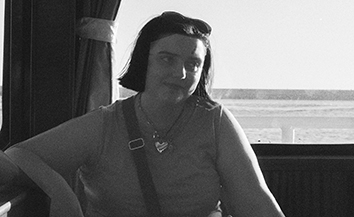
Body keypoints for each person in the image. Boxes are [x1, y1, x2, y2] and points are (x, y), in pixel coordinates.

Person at [0, 11, 285, 217]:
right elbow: (18, 154)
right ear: (142, 62)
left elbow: (257, 202)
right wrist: (62, 194)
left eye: (193, 63)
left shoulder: (215, 121)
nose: (181, 73)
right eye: (167, 59)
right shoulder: (104, 124)